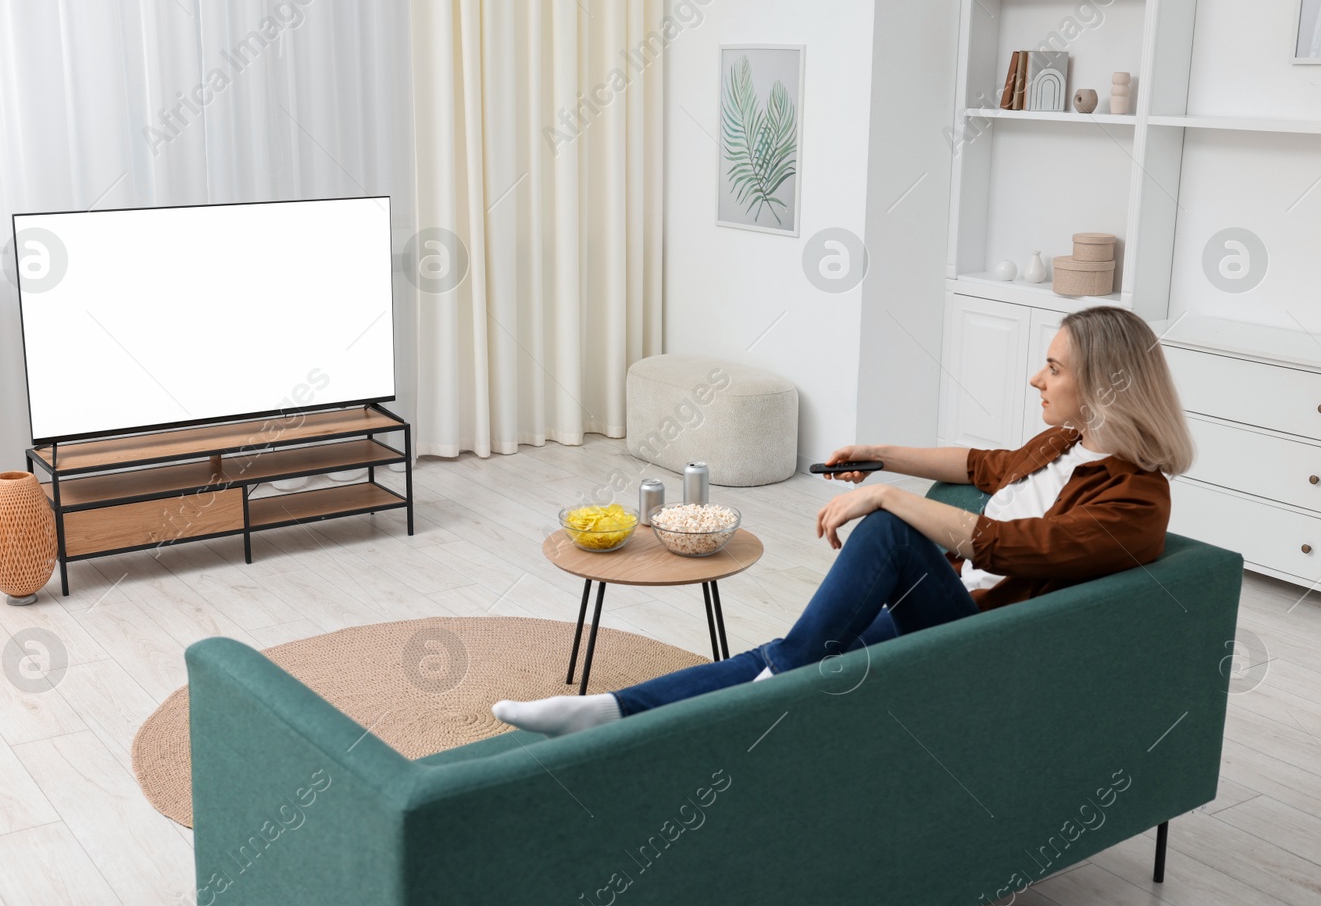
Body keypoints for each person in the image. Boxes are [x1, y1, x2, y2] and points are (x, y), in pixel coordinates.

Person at [492, 306, 1196, 737]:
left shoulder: (1135, 503)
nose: (1037, 380)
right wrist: (879, 455)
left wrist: (887, 498)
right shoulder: (1062, 444)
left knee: (888, 533)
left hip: (990, 642)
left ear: (1107, 385)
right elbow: (983, 463)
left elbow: (1010, 547)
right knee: (787, 648)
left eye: (1053, 367)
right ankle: (608, 710)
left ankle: (767, 687)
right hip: (952, 607)